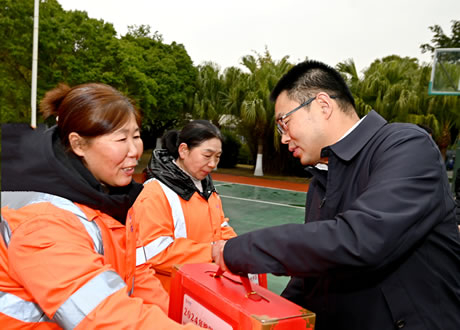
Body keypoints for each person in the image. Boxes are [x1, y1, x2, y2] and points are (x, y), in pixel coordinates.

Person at [212, 60, 460, 330]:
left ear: (322, 105)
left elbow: (360, 239)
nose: (283, 139)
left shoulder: (405, 145)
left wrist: (241, 250)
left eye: (284, 122)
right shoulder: (321, 180)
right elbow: (312, 275)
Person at [1, 83, 198, 329]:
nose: (134, 151)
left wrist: (177, 319)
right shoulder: (43, 222)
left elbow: (135, 277)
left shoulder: (109, 198)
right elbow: (103, 316)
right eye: (121, 139)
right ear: (79, 145)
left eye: (136, 136)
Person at [133, 120, 237, 292]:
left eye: (217, 157)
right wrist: (212, 252)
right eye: (207, 155)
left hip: (200, 289)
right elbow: (155, 252)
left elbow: (220, 227)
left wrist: (237, 247)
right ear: (183, 150)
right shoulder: (154, 192)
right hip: (167, 296)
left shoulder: (208, 190)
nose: (213, 164)